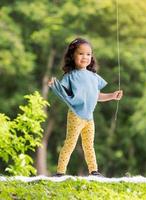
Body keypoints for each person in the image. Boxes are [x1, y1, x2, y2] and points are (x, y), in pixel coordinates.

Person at [48, 38, 123, 177]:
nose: (85, 57)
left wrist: (112, 96)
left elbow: (97, 96)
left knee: (89, 145)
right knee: (70, 143)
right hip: (76, 115)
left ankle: (94, 171)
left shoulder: (94, 77)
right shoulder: (70, 76)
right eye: (81, 53)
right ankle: (60, 172)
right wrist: (54, 84)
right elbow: (63, 91)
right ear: (72, 56)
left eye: (88, 54)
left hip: (89, 117)